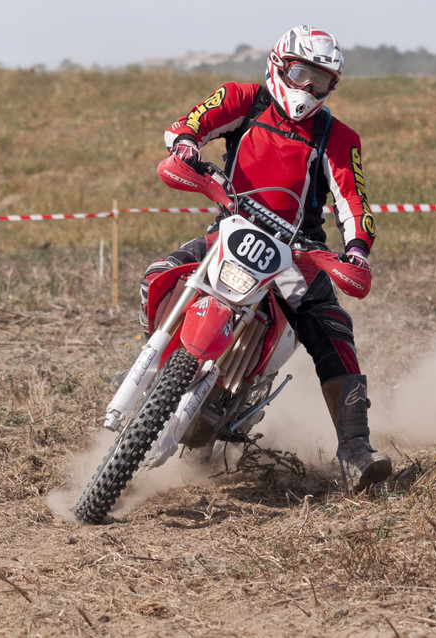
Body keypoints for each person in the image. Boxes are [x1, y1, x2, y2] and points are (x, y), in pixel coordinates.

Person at [142, 25, 390, 491]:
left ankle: (355, 449)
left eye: (321, 80)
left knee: (333, 331)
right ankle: (156, 364)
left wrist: (356, 250)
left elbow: (353, 202)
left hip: (298, 252)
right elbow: (190, 123)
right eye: (300, 73)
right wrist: (187, 144)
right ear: (279, 64)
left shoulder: (337, 136)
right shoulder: (243, 99)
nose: (308, 87)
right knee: (161, 274)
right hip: (232, 228)